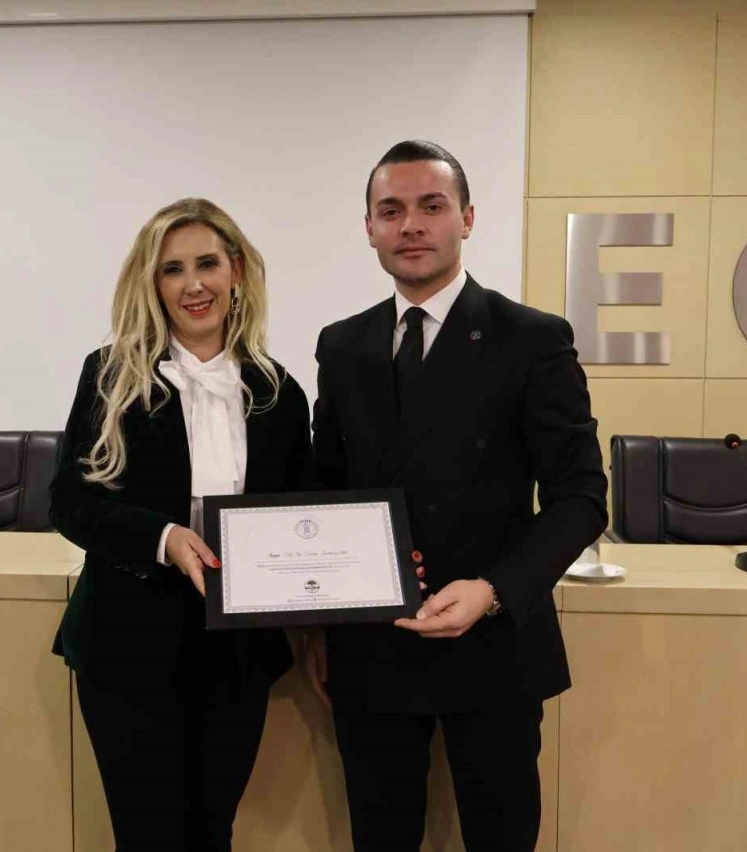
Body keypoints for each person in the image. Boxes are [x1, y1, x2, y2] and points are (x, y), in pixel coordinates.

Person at [306, 140, 608, 852]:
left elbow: (581, 496)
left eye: (431, 206)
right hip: (372, 648)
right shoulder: (342, 346)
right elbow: (328, 494)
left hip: (495, 644)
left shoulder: (532, 339)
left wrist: (494, 590)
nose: (411, 224)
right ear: (369, 228)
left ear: (467, 218)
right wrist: (318, 623)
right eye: (391, 210)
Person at [49, 198, 313, 852]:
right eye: (172, 269)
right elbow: (69, 502)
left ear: (236, 273)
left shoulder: (279, 392)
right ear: (153, 284)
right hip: (128, 644)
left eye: (207, 264)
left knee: (212, 832)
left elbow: (301, 517)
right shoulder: (110, 375)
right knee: (147, 836)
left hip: (236, 651)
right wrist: (163, 538)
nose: (193, 284)